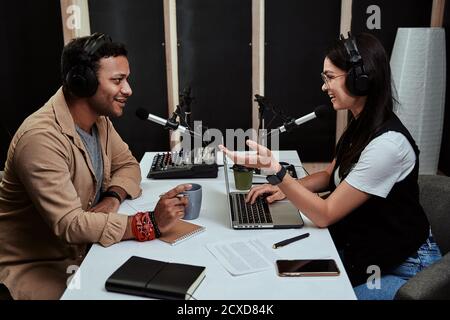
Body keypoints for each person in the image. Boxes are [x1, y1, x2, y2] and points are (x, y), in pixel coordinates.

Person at [220, 33, 442, 300]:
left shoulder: (388, 145)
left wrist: (277, 173)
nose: (324, 87)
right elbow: (329, 175)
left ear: (360, 79)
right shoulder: (361, 125)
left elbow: (325, 213)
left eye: (330, 77)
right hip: (364, 249)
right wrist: (282, 189)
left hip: (403, 268)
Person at [0, 33, 190, 300]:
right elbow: (70, 224)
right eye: (117, 80)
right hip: (43, 267)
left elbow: (128, 166)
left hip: (88, 250)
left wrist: (113, 197)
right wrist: (147, 223)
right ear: (83, 83)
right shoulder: (40, 139)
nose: (128, 90)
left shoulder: (99, 122)